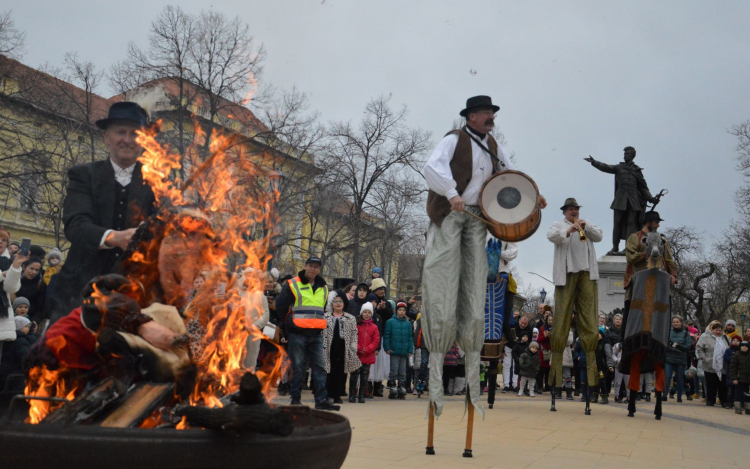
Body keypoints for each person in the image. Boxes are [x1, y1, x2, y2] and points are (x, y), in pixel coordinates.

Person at [422, 95, 547, 415]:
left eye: (492, 112)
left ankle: (471, 345)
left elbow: (509, 173)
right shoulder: (454, 140)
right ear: (472, 116)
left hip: (478, 219)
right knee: (445, 273)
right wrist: (451, 194)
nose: (491, 117)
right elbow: (431, 167)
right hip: (451, 215)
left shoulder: (492, 144)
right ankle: (439, 346)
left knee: (475, 280)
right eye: (487, 113)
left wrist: (533, 197)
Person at [45, 102, 158, 322]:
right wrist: (114, 237)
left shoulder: (158, 182)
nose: (127, 139)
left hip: (133, 296)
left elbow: (163, 227)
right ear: (107, 137)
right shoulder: (83, 176)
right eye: (120, 132)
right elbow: (75, 225)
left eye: (135, 133)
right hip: (77, 294)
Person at [546, 198, 603, 400]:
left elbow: (599, 236)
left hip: (586, 273)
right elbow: (551, 236)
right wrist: (568, 231)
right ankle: (556, 377)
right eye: (571, 210)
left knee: (588, 315)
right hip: (567, 273)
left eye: (576, 209)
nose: (574, 212)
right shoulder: (558, 225)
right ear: (565, 212)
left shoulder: (586, 224)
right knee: (561, 316)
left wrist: (585, 226)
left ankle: (592, 376)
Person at [274, 257, 339, 411]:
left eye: (316, 267)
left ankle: (321, 400)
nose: (312, 269)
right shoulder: (293, 283)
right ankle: (295, 399)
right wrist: (286, 327)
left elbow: (321, 309)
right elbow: (281, 306)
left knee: (320, 367)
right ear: (305, 266)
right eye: (310, 266)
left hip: (316, 333)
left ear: (319, 269)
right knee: (297, 367)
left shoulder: (324, 287)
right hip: (297, 332)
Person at [585, 147, 656, 255]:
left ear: (632, 155)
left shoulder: (637, 170)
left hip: (633, 199)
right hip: (621, 198)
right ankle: (615, 246)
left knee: (631, 223)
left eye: (627, 153)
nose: (625, 155)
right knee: (617, 222)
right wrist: (594, 162)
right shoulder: (619, 167)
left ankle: (628, 247)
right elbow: (606, 167)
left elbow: (643, 187)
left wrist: (650, 198)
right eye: (625, 153)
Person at [323, 296, 360, 404]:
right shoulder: (325, 316)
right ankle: (327, 394)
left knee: (341, 372)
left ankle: (337, 395)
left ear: (344, 304)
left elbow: (354, 334)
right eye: (335, 302)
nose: (338, 303)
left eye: (340, 301)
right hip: (328, 348)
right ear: (331, 304)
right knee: (328, 371)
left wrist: (353, 348)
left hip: (344, 347)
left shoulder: (350, 318)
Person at [384, 301, 414, 399]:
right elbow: (387, 336)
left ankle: (402, 386)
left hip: (404, 351)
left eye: (403, 310)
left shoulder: (408, 324)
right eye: (400, 310)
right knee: (394, 369)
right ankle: (393, 386)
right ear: (396, 311)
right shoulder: (390, 322)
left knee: (402, 370)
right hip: (394, 350)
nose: (401, 312)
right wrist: (387, 347)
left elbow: (410, 337)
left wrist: (410, 350)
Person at [0, 316, 38, 392]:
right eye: (26, 326)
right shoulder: (21, 341)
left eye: (29, 327)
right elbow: (24, 358)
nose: (28, 329)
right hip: (16, 378)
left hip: (5, 375)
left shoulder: (7, 339)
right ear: (18, 326)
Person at [352, 303, 380, 403]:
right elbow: (353, 338)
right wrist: (359, 348)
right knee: (354, 375)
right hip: (357, 354)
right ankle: (352, 394)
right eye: (365, 312)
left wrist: (367, 349)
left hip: (368, 354)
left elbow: (376, 341)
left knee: (364, 375)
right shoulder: (356, 325)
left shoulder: (374, 327)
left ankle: (362, 395)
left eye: (369, 312)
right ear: (361, 313)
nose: (367, 314)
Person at [696, 321, 726, 407]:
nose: (718, 332)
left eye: (720, 330)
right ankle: (710, 400)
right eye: (716, 330)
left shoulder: (725, 338)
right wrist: (703, 358)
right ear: (712, 330)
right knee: (711, 384)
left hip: (722, 366)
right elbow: (699, 348)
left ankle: (723, 400)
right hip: (709, 365)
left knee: (722, 385)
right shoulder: (706, 338)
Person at [663, 315, 692, 402]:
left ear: (681, 323)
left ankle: (679, 397)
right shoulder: (668, 332)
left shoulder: (686, 333)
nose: (675, 323)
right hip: (669, 358)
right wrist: (672, 346)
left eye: (677, 322)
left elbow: (688, 347)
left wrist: (679, 346)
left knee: (680, 378)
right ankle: (664, 395)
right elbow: (665, 344)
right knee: (667, 377)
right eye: (674, 322)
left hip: (681, 359)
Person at [17, 256, 46, 324]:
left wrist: (34, 321)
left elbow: (40, 308)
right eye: (31, 268)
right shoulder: (15, 281)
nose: (33, 272)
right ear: (24, 267)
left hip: (29, 321)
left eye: (36, 270)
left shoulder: (40, 284)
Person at [730, 340, 750, 414]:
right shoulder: (736, 355)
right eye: (743, 346)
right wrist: (734, 378)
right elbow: (733, 367)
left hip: (748, 379)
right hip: (739, 378)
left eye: (746, 346)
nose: (744, 347)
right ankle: (738, 407)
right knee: (738, 394)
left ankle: (748, 408)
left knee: (747, 394)